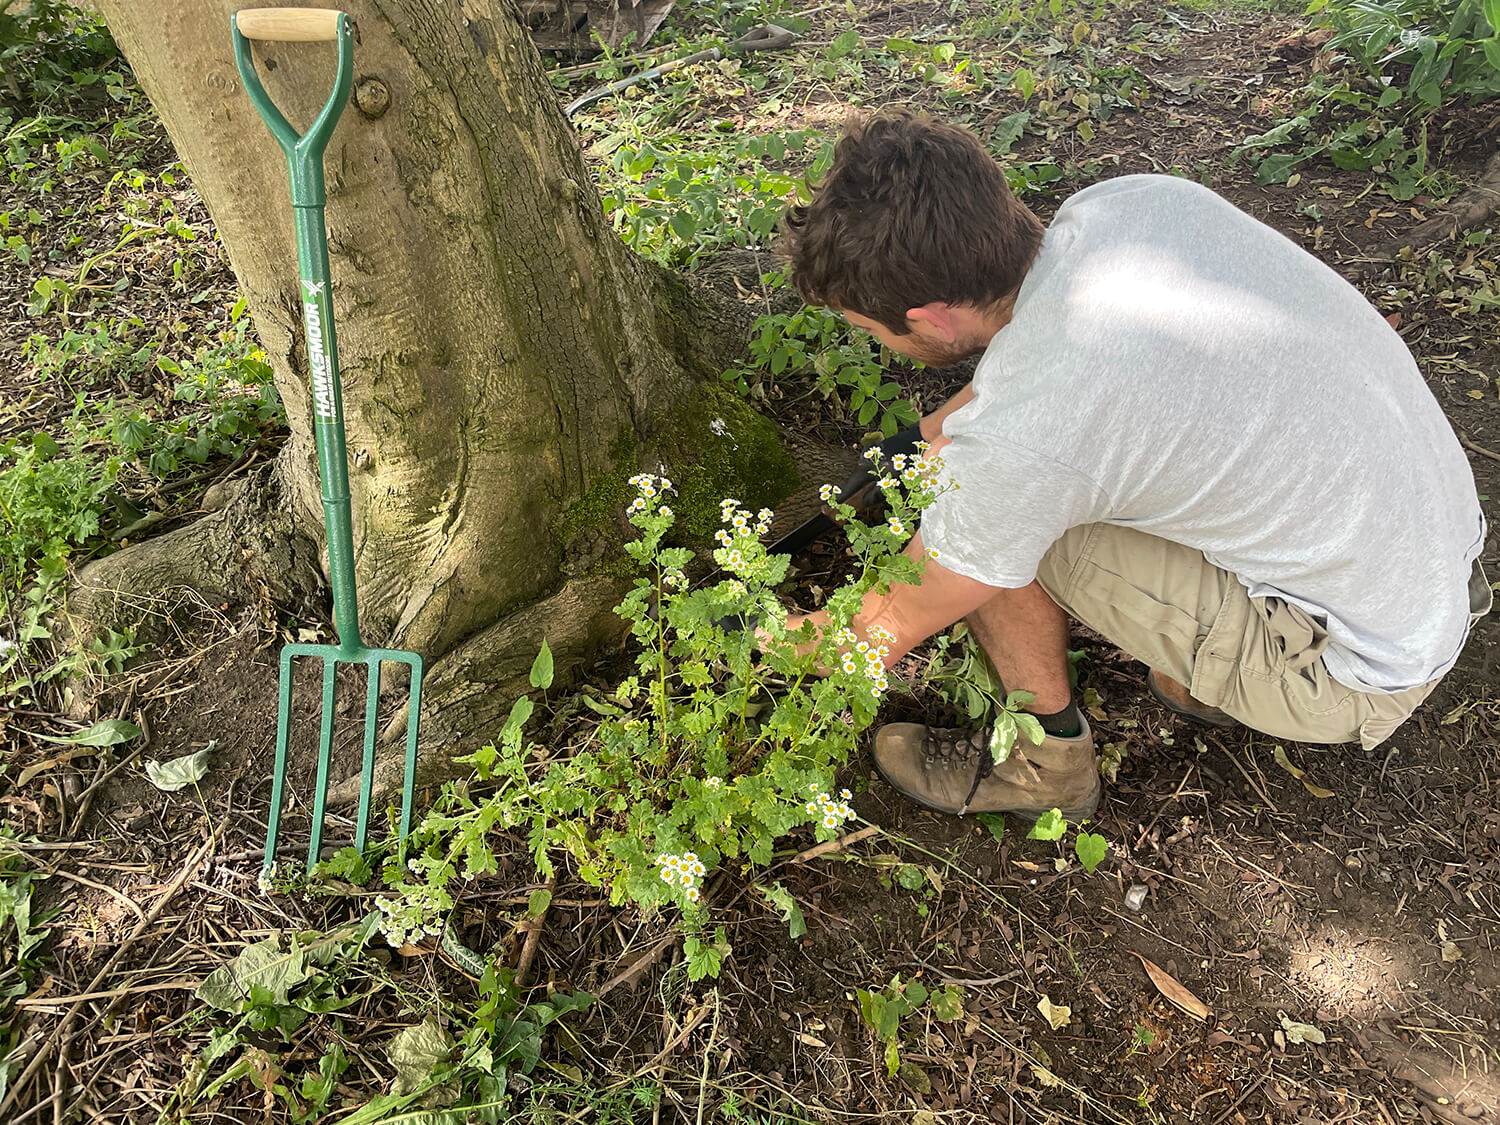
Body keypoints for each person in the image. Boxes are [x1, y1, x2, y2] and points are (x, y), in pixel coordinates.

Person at [779, 110, 1491, 822]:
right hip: (1432, 554)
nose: (871, 340)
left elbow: (886, 624)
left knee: (970, 505)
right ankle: (1203, 666)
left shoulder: (1025, 437)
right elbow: (1032, 377)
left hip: (1349, 667)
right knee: (986, 468)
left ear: (930, 319)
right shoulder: (1128, 204)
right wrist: (929, 429)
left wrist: (771, 640)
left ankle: (1045, 766)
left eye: (869, 329)